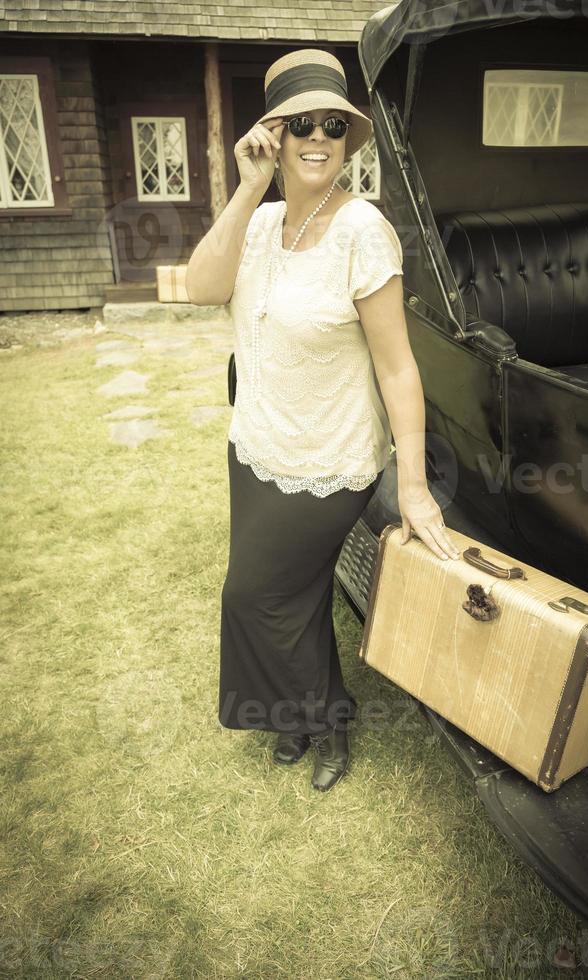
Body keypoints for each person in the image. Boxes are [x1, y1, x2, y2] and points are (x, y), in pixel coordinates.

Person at [186, 49, 461, 793]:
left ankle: (328, 716)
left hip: (332, 457)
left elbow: (399, 367)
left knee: (252, 592)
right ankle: (299, 719)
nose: (318, 138)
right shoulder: (260, 217)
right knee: (297, 594)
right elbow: (201, 286)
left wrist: (412, 487)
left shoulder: (362, 230)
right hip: (256, 447)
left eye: (333, 126)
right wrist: (245, 191)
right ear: (271, 135)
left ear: (346, 139)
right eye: (300, 123)